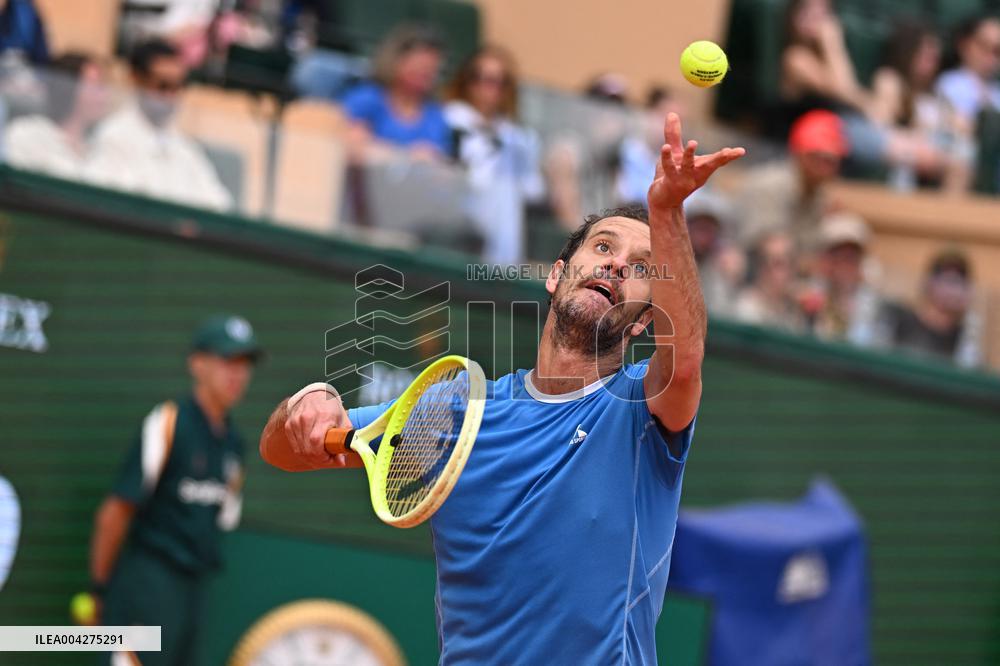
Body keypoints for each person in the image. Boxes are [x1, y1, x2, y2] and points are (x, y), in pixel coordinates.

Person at [261, 113, 746, 663]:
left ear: (644, 322)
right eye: (603, 248)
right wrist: (309, 400)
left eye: (640, 268)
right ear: (556, 274)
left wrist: (668, 211)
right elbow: (284, 451)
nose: (615, 266)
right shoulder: (458, 411)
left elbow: (684, 365)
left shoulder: (641, 408)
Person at [87, 314, 262, 666]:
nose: (238, 374)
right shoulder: (168, 422)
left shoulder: (234, 445)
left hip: (194, 591)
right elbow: (116, 510)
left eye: (245, 364)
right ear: (197, 364)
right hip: (148, 583)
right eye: (227, 360)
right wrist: (99, 589)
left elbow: (223, 520)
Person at [86, 39, 233, 211]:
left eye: (177, 87)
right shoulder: (112, 138)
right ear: (136, 80)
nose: (170, 96)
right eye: (162, 86)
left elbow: (219, 204)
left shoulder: (185, 148)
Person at [444, 45, 544, 265]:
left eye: (502, 82)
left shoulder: (518, 137)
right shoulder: (449, 121)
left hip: (504, 235)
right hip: (458, 227)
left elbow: (533, 190)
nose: (492, 89)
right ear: (467, 81)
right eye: (483, 79)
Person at [869, 20, 973, 192]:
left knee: (964, 153)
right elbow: (880, 124)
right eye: (925, 54)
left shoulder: (937, 91)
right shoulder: (890, 80)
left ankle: (950, 208)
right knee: (906, 157)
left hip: (936, 152)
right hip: (902, 150)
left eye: (934, 56)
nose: (932, 60)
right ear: (908, 51)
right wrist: (915, 138)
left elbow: (961, 126)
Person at [735, 109, 846, 248]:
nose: (825, 167)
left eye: (832, 161)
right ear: (799, 153)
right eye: (818, 157)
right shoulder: (768, 186)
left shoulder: (820, 197)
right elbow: (769, 248)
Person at [340, 24, 451, 163]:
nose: (425, 73)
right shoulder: (367, 98)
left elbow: (440, 161)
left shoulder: (435, 115)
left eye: (431, 69)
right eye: (419, 65)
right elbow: (348, 143)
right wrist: (408, 156)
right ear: (395, 60)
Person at [3, 53, 110, 180]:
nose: (104, 96)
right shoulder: (26, 135)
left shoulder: (101, 147)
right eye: (95, 86)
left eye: (102, 86)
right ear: (68, 90)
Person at [880, 250, 983, 368]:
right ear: (929, 282)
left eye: (960, 281)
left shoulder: (964, 339)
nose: (954, 290)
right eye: (948, 280)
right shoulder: (899, 320)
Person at [799, 212, 883, 346]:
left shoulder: (873, 306)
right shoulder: (808, 297)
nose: (845, 265)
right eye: (838, 256)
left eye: (852, 257)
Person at [682, 187, 744, 316]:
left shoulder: (721, 270)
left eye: (709, 228)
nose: (704, 236)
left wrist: (733, 279)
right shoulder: (670, 261)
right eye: (699, 227)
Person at [936, 15, 1000, 133]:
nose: (990, 56)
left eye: (996, 50)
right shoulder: (948, 83)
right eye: (983, 46)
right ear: (963, 45)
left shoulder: (996, 91)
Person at [734, 231, 806, 333]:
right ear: (761, 268)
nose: (789, 271)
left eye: (792, 261)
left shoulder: (794, 307)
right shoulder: (746, 307)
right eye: (779, 263)